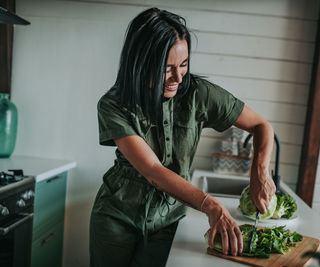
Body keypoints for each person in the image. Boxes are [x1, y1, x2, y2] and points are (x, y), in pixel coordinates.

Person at [89, 7, 276, 267]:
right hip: (116, 216)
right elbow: (153, 169)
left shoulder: (200, 94)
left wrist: (260, 172)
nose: (178, 77)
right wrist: (212, 206)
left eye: (184, 64)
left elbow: (261, 125)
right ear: (141, 64)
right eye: (166, 68)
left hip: (168, 222)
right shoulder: (113, 105)